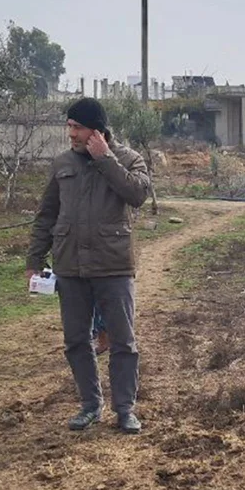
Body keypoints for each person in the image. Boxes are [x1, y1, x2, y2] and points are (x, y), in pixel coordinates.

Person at [26, 97, 151, 433]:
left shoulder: (129, 159)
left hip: (113, 265)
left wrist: (105, 159)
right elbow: (47, 215)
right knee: (76, 341)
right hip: (71, 266)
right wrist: (34, 260)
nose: (71, 134)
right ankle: (90, 405)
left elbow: (138, 195)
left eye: (77, 127)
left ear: (97, 130)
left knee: (123, 341)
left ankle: (125, 410)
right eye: (69, 126)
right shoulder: (62, 163)